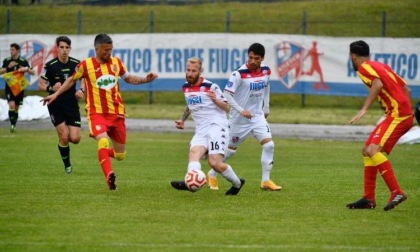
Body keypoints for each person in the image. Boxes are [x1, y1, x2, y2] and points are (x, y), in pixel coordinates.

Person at [41, 34, 158, 190]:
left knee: (120, 155)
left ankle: (103, 154)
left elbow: (129, 78)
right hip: (97, 113)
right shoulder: (85, 65)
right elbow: (70, 80)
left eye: (110, 49)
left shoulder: (116, 63)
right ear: (96, 49)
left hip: (117, 114)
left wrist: (145, 79)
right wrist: (55, 94)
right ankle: (109, 175)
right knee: (103, 141)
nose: (108, 53)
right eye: (105, 50)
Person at [347, 40, 414, 211]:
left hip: (398, 114)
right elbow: (407, 90)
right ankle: (368, 198)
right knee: (367, 149)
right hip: (398, 113)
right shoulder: (381, 65)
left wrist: (364, 109)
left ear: (353, 56)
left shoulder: (363, 69)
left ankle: (396, 191)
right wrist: (403, 110)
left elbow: (377, 84)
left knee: (373, 150)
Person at [207, 43, 281, 191]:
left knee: (269, 145)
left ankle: (265, 181)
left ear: (262, 58)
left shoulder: (266, 71)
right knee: (230, 150)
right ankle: (212, 173)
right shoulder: (238, 73)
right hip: (239, 119)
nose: (253, 61)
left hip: (257, 117)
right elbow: (227, 94)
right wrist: (241, 110)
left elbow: (267, 87)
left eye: (257, 58)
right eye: (250, 57)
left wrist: (266, 107)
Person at [170, 57, 245, 195]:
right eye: (188, 70)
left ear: (200, 71)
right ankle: (190, 182)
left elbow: (227, 107)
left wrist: (215, 100)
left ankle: (237, 183)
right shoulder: (186, 87)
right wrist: (182, 119)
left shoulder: (211, 86)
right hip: (201, 129)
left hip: (217, 126)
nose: (190, 73)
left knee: (215, 163)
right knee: (193, 154)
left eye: (194, 71)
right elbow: (190, 105)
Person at [38, 36, 85, 174]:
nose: (64, 50)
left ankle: (63, 143)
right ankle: (67, 166)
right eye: (62, 47)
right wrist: (51, 88)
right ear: (57, 48)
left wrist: (81, 90)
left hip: (71, 104)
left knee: (75, 139)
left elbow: (84, 79)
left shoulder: (76, 64)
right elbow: (41, 85)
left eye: (67, 47)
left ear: (70, 49)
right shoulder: (50, 65)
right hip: (55, 104)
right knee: (64, 136)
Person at [0, 43, 35, 133]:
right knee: (11, 105)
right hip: (10, 87)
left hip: (19, 87)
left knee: (16, 107)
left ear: (17, 51)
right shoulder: (7, 60)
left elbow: (33, 72)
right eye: (10, 49)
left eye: (13, 50)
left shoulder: (23, 61)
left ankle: (14, 124)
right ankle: (12, 125)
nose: (11, 51)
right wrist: (8, 67)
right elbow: (0, 71)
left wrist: (26, 69)